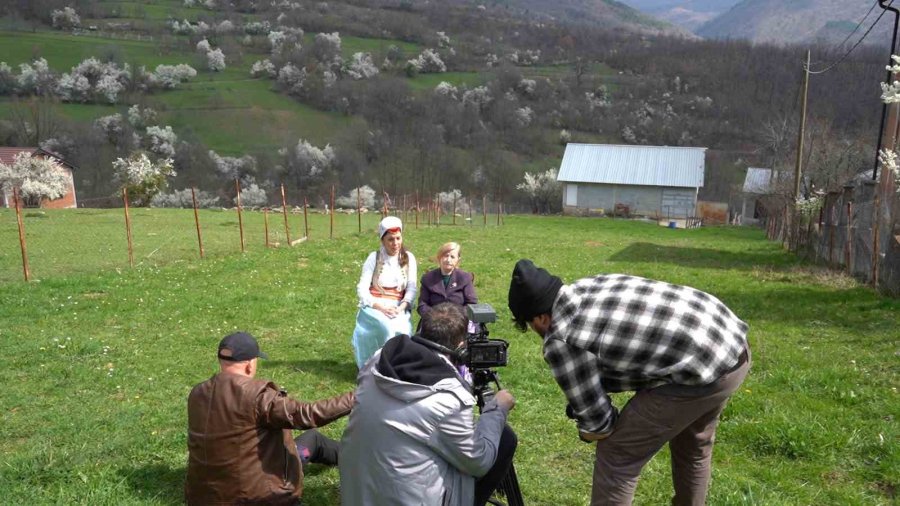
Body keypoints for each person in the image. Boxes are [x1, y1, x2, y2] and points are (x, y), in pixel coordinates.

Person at [507, 259, 751, 506]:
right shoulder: (588, 285)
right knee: (693, 445)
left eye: (529, 325)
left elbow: (599, 428)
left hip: (702, 367)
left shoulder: (560, 339)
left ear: (540, 318)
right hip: (729, 340)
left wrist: (586, 423)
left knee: (617, 454)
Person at [339, 303, 518, 506]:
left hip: (357, 492)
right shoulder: (448, 398)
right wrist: (497, 409)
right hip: (404, 498)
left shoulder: (379, 359)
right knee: (503, 438)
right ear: (461, 347)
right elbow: (478, 462)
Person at [185, 331, 354, 505]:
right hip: (262, 498)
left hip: (204, 497)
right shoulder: (257, 396)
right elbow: (308, 414)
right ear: (250, 364)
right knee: (311, 441)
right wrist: (358, 396)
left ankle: (356, 460)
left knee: (312, 439)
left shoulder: (197, 393)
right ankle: (363, 462)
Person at [350, 216, 418, 368]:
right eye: (390, 239)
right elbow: (362, 288)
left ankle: (397, 367)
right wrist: (379, 307)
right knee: (385, 326)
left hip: (397, 305)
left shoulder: (408, 258)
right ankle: (374, 366)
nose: (395, 243)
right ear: (382, 240)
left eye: (398, 238)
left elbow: (412, 288)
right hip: (375, 305)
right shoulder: (373, 258)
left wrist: (401, 307)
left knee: (403, 329)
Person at [417, 241, 478, 318]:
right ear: (440, 257)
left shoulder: (465, 278)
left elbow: (472, 304)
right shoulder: (427, 278)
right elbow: (422, 305)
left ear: (458, 260)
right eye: (446, 256)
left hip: (459, 321)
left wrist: (456, 316)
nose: (448, 260)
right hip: (433, 321)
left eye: (452, 257)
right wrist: (435, 316)